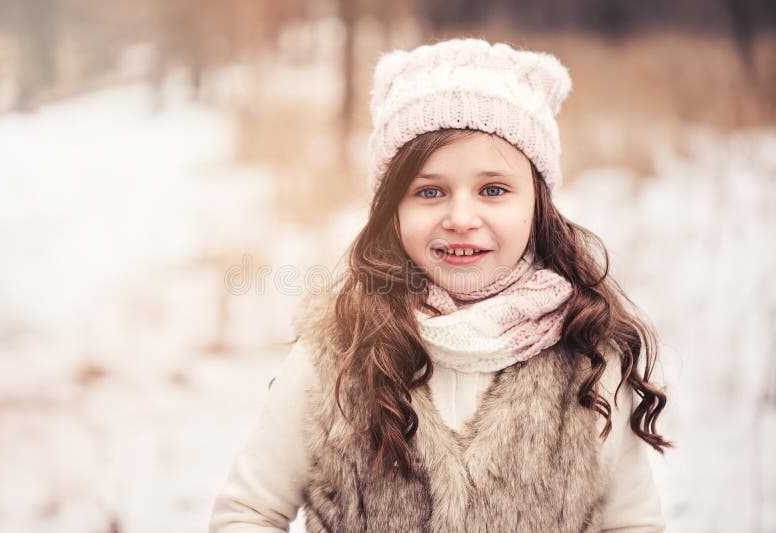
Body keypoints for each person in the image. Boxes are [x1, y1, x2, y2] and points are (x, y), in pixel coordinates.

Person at [209, 37, 673, 532]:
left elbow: (633, 523)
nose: (460, 217)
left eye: (493, 190)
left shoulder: (588, 358)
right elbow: (249, 513)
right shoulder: (337, 355)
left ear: (536, 204)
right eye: (430, 191)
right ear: (393, 210)